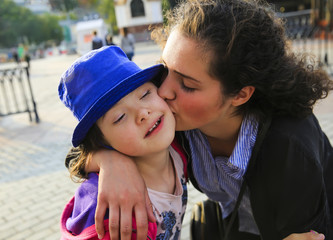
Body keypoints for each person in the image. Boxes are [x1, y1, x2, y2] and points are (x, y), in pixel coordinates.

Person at [66, 0, 333, 239]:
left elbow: (308, 230)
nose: (163, 91)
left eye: (188, 85)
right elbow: (78, 153)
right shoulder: (170, 122)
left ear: (240, 94)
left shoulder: (291, 146)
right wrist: (111, 162)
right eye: (165, 70)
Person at [59, 46, 188, 240]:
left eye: (145, 94)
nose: (143, 113)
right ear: (101, 142)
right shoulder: (112, 217)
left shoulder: (179, 147)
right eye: (120, 117)